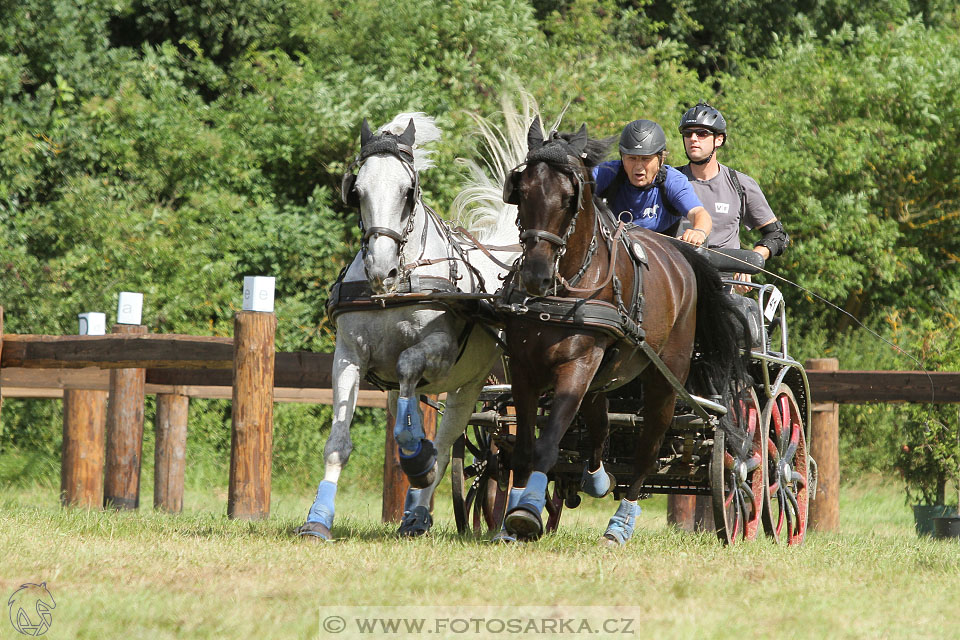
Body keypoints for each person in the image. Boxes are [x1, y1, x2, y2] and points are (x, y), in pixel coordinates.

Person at [677, 101, 789, 280]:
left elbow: (777, 235)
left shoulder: (740, 184)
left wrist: (749, 263)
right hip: (678, 282)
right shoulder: (671, 181)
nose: (693, 139)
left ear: (719, 139)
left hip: (724, 286)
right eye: (688, 133)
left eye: (702, 133)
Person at [593, 119, 712, 247]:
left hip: (663, 254)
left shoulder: (673, 181)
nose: (638, 167)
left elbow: (698, 213)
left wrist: (699, 232)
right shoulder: (606, 172)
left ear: (661, 159)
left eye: (646, 159)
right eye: (632, 158)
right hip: (614, 247)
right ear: (622, 157)